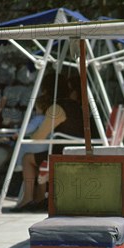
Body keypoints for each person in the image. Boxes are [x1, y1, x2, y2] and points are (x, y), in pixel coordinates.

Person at [11, 71, 83, 212]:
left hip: (63, 154)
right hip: (76, 150)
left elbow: (38, 137)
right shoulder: (75, 106)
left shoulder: (56, 109)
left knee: (27, 158)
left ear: (46, 91)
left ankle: (27, 199)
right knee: (40, 157)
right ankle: (39, 199)